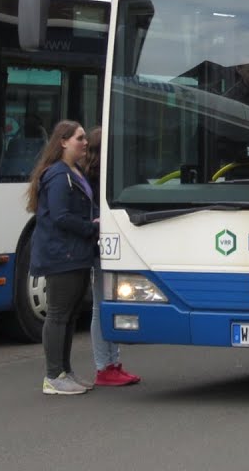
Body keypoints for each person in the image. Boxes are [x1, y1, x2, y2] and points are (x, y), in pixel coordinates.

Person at [25, 120, 98, 396]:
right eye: (80, 138)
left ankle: (65, 371)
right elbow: (60, 216)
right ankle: (54, 375)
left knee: (69, 315)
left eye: (85, 137)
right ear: (63, 142)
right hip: (62, 254)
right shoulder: (58, 175)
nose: (85, 142)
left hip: (74, 252)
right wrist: (91, 227)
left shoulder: (73, 171)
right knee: (58, 315)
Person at [83, 128, 141, 387]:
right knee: (100, 307)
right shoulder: (94, 180)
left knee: (108, 304)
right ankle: (104, 366)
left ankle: (113, 363)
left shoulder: (100, 176)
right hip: (101, 248)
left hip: (110, 247)